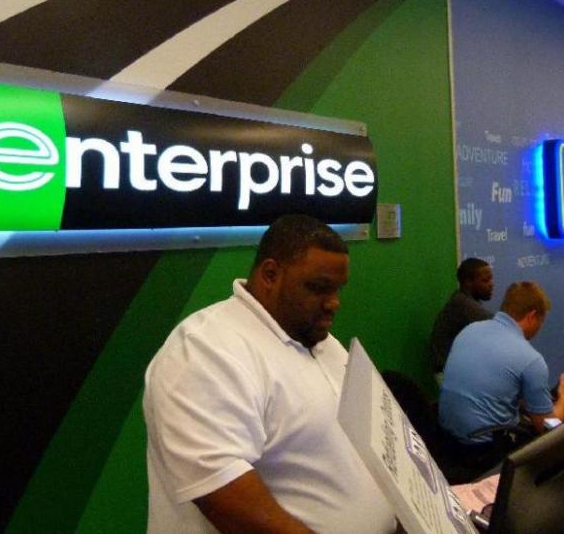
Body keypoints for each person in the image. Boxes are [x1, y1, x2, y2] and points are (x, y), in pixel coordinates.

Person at [143, 214, 395, 534]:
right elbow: (227, 498)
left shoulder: (319, 340)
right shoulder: (204, 351)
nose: (334, 303)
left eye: (337, 289)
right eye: (319, 288)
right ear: (270, 274)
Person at [438, 281, 564, 456]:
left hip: (445, 440)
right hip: (483, 451)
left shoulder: (468, 330)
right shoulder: (531, 359)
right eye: (541, 321)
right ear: (532, 316)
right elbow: (548, 427)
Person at [428, 258, 495, 374]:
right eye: (485, 280)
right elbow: (501, 329)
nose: (491, 284)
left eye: (491, 279)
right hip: (450, 374)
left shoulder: (463, 299)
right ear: (468, 282)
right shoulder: (462, 304)